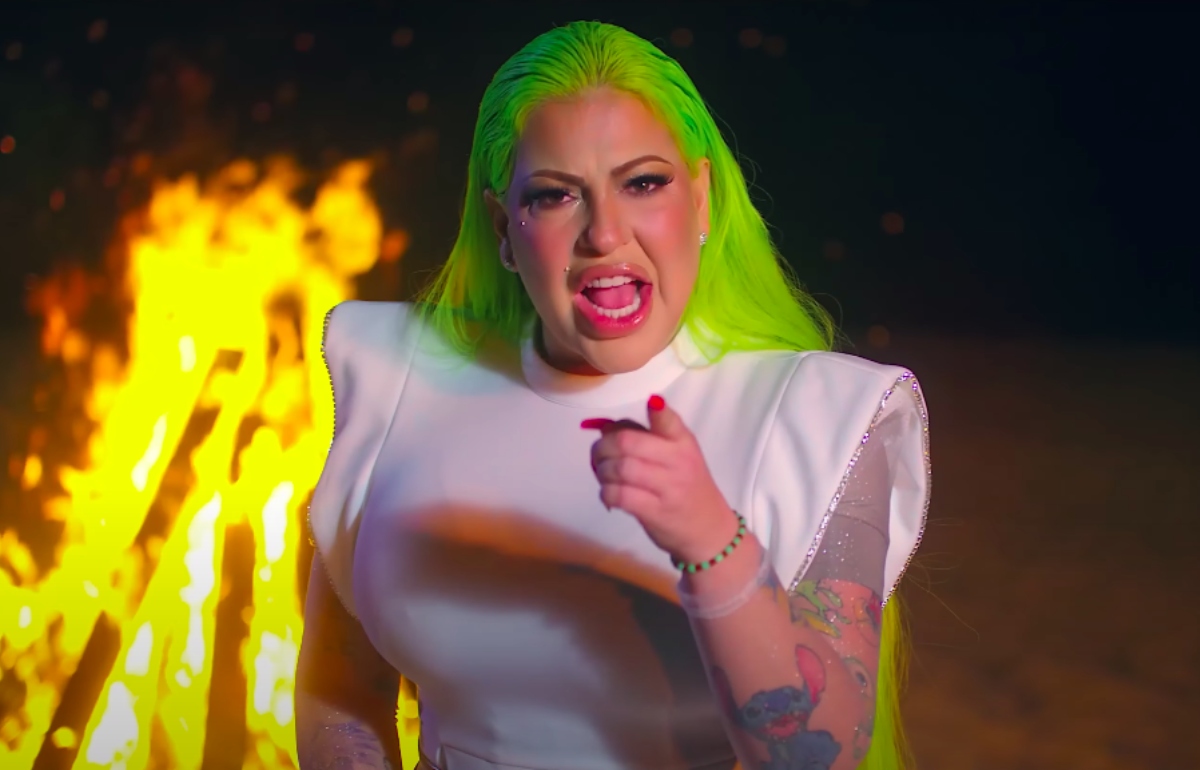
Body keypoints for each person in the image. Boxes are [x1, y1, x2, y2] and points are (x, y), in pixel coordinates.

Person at [295, 20, 929, 770]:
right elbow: (340, 689)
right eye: (555, 195)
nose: (604, 233)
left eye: (643, 183)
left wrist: (714, 544)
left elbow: (821, 755)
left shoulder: (822, 420)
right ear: (503, 228)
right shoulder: (396, 379)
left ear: (702, 200)